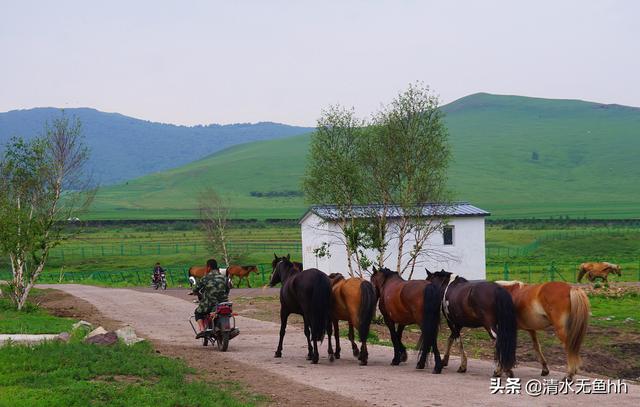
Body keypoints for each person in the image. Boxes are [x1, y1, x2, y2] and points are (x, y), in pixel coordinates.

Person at [194, 258, 230, 338]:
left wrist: (194, 292)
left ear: (209, 267)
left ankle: (202, 329)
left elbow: (196, 289)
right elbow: (228, 289)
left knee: (198, 313)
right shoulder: (224, 278)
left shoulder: (205, 278)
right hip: (224, 303)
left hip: (210, 304)